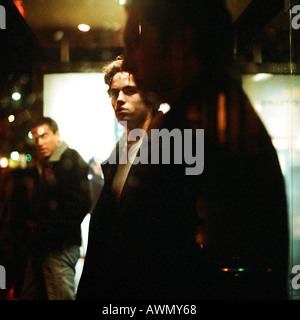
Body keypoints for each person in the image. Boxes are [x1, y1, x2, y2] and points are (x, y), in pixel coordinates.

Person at [118, 0, 289, 299]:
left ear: (181, 41)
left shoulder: (198, 125)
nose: (127, 62)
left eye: (134, 43)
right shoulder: (221, 111)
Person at [76, 56, 157, 299]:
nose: (119, 99)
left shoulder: (168, 149)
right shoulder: (118, 155)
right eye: (114, 93)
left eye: (130, 90)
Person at [20, 117, 91, 300]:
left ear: (56, 135)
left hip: (59, 247)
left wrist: (50, 232)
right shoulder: (44, 164)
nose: (40, 142)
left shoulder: (70, 159)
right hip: (43, 247)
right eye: (36, 138)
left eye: (44, 136)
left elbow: (80, 204)